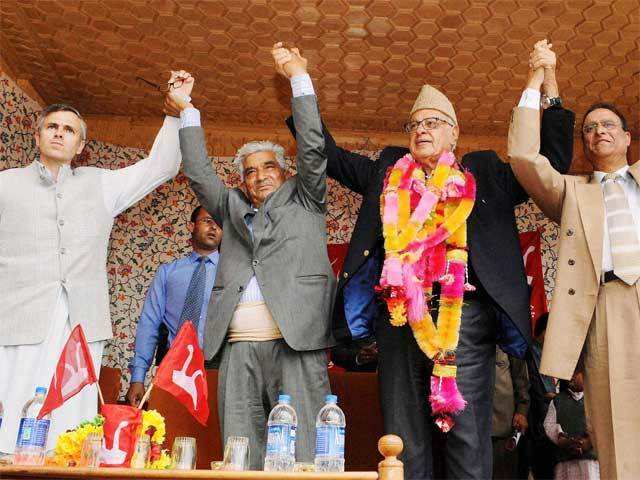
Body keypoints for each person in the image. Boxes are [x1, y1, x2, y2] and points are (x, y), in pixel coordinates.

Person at [287, 45, 575, 479]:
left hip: (467, 322)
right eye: (415, 124)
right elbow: (324, 151)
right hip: (399, 320)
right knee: (403, 443)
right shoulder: (387, 174)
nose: (423, 129)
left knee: (466, 440)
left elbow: (548, 163)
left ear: (454, 133)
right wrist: (297, 77)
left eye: (434, 122)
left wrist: (549, 87)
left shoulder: (486, 176)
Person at [0, 71, 190, 454]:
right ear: (37, 137)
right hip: (15, 316)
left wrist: (173, 113)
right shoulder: (6, 184)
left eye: (68, 129)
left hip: (80, 322)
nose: (58, 133)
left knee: (70, 421)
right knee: (12, 407)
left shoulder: (101, 184)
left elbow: (161, 166)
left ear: (81, 144)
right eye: (51, 126)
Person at [168, 44, 334, 469]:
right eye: (249, 171)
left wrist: (298, 75)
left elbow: (313, 146)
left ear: (285, 171)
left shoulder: (307, 198)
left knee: (304, 455)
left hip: (295, 341)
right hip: (238, 347)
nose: (259, 177)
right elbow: (199, 171)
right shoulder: (230, 207)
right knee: (240, 452)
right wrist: (188, 109)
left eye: (268, 168)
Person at [507, 39, 639, 479]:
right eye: (589, 127)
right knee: (616, 429)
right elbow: (525, 157)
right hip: (603, 308)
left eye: (609, 124)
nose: (599, 130)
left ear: (626, 136)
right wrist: (542, 79)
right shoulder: (573, 193)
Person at [126, 206, 222, 406]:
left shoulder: (231, 273)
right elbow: (149, 323)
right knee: (170, 433)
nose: (214, 227)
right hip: (175, 368)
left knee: (215, 435)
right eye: (207, 221)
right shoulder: (168, 272)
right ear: (191, 226)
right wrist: (138, 377)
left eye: (219, 223)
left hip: (219, 369)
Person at [544, 372, 599, 480]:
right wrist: (564, 441)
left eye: (575, 373)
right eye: (569, 372)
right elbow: (549, 425)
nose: (571, 376)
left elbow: (601, 424)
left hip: (590, 463)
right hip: (566, 463)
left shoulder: (595, 400)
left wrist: (589, 441)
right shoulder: (558, 401)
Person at [492, 347, 530, 479]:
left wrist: (522, 410)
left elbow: (521, 379)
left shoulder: (508, 340)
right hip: (472, 430)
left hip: (504, 426)